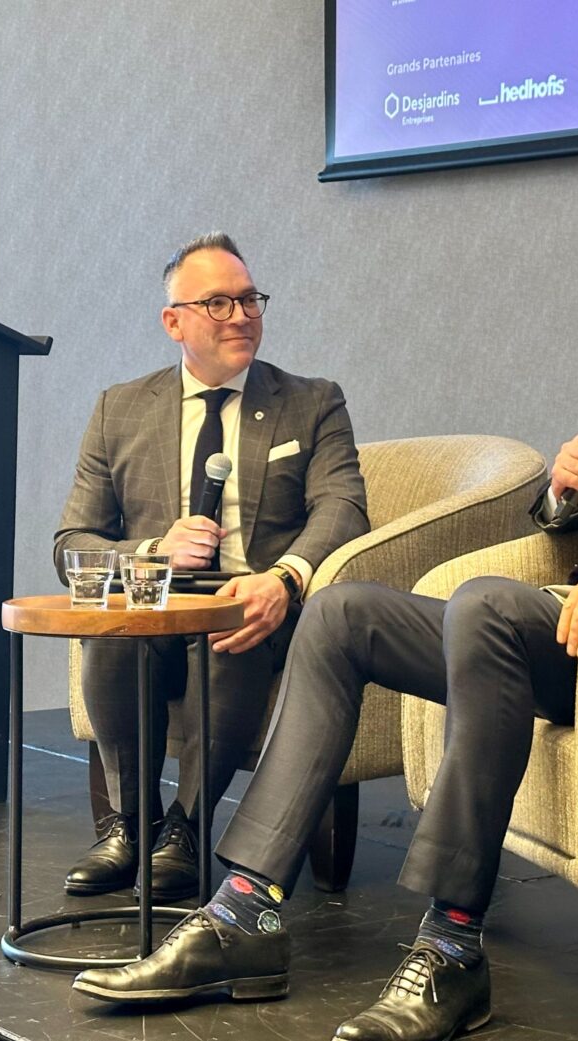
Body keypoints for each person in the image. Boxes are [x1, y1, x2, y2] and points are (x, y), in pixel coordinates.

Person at [71, 223, 578, 1041]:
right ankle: (244, 914)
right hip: (575, 631)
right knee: (342, 610)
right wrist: (569, 492)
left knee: (486, 604)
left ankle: (451, 945)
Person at [53, 232, 368, 902]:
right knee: (114, 633)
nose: (242, 316)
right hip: (159, 602)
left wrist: (283, 578)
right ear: (175, 322)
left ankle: (188, 829)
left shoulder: (312, 402)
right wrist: (152, 552)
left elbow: (343, 508)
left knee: (232, 631)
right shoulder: (119, 409)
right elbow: (72, 541)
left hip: (256, 604)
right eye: (219, 303)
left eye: (250, 300)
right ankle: (131, 826)